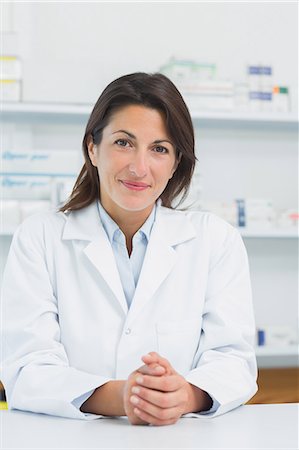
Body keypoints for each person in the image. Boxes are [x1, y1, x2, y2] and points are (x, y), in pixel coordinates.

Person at [1, 72, 257, 425]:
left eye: (159, 149)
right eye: (123, 143)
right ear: (93, 148)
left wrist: (183, 395)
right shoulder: (39, 237)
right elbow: (26, 369)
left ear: (176, 163)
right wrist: (127, 396)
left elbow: (233, 360)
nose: (139, 167)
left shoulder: (215, 240)